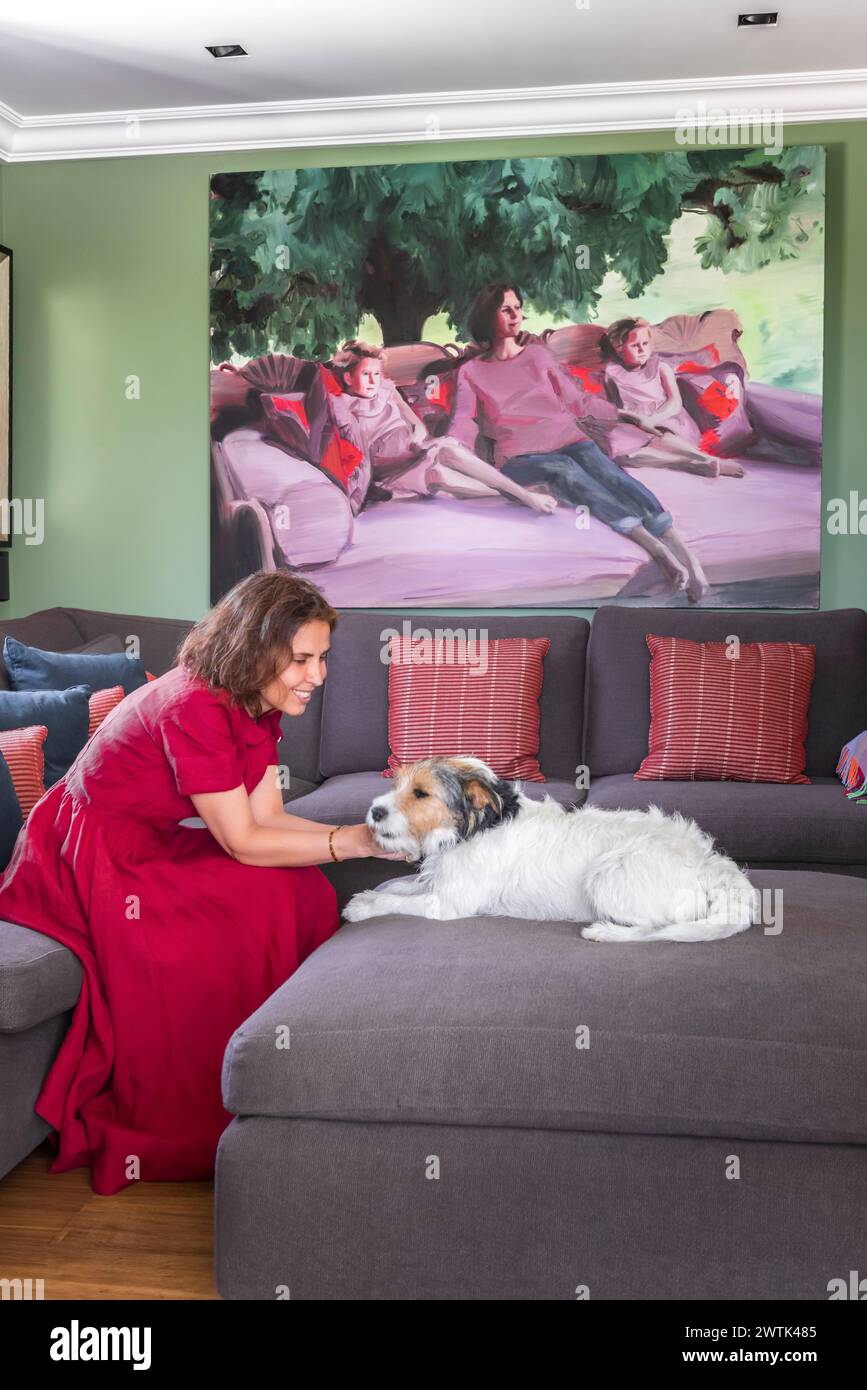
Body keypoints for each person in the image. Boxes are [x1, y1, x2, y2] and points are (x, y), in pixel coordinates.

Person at [0, 572, 402, 1195]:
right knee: (256, 901)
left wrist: (357, 840)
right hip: (89, 852)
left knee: (299, 889)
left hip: (147, 840)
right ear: (256, 648)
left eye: (321, 658)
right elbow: (243, 841)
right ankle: (204, 1113)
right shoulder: (194, 706)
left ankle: (291, 1074)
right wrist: (349, 841)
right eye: (301, 659)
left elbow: (266, 819)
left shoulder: (255, 701)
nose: (317, 677)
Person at [446, 283, 708, 602]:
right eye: (506, 309)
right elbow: (462, 423)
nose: (517, 315)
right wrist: (450, 453)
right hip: (521, 459)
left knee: (613, 476)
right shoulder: (472, 371)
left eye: (518, 307)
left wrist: (624, 415)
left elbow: (578, 401)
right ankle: (657, 550)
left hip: (568, 438)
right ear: (489, 316)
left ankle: (689, 559)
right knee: (565, 470)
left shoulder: (538, 355)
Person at [330, 340, 557, 513]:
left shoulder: (387, 391)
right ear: (349, 378)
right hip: (389, 470)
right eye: (366, 375)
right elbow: (361, 454)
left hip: (413, 449)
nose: (373, 381)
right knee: (436, 475)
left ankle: (518, 493)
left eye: (376, 374)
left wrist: (417, 440)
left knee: (449, 449)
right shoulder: (343, 406)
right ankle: (518, 495)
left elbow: (416, 424)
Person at [597, 317, 745, 478]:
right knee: (622, 455)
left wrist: (652, 420)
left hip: (666, 418)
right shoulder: (612, 373)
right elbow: (613, 407)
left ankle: (707, 460)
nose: (641, 350)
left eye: (645, 344)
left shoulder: (660, 367)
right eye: (634, 346)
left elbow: (675, 402)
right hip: (635, 422)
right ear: (619, 349)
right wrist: (633, 419)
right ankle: (685, 463)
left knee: (663, 438)